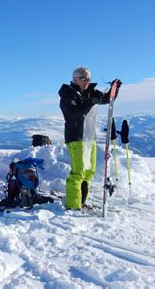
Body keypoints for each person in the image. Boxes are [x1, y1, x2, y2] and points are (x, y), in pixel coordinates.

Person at [58, 67, 121, 210]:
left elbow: (106, 99)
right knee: (78, 172)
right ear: (76, 80)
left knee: (89, 171)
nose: (88, 82)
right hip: (76, 138)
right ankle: (73, 205)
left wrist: (115, 89)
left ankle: (82, 201)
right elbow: (73, 114)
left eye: (89, 79)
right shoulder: (68, 95)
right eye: (85, 79)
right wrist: (90, 102)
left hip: (89, 137)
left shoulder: (90, 93)